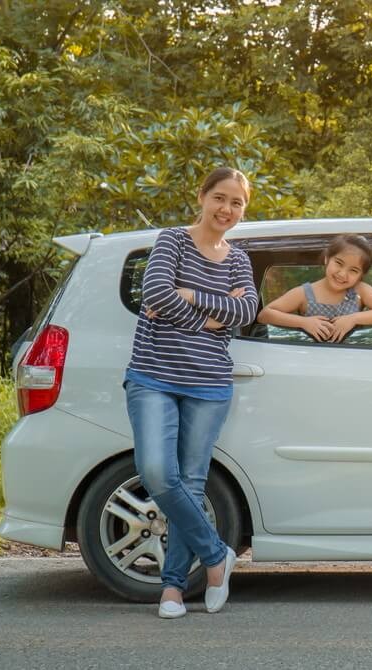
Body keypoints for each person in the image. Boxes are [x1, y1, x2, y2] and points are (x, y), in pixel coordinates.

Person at [124, 167, 259, 619]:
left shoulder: (239, 259)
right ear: (201, 196)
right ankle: (218, 554)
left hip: (209, 383)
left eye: (236, 203)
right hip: (153, 376)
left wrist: (192, 295)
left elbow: (246, 310)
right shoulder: (172, 241)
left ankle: (173, 589)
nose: (226, 209)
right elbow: (157, 292)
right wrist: (208, 319)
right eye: (219, 198)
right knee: (158, 472)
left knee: (192, 482)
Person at [256, 233, 372, 340]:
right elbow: (265, 315)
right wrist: (304, 322)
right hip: (314, 360)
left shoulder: (360, 290)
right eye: (339, 263)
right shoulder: (305, 293)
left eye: (353, 270)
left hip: (354, 359)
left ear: (361, 275)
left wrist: (353, 318)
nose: (343, 274)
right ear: (327, 259)